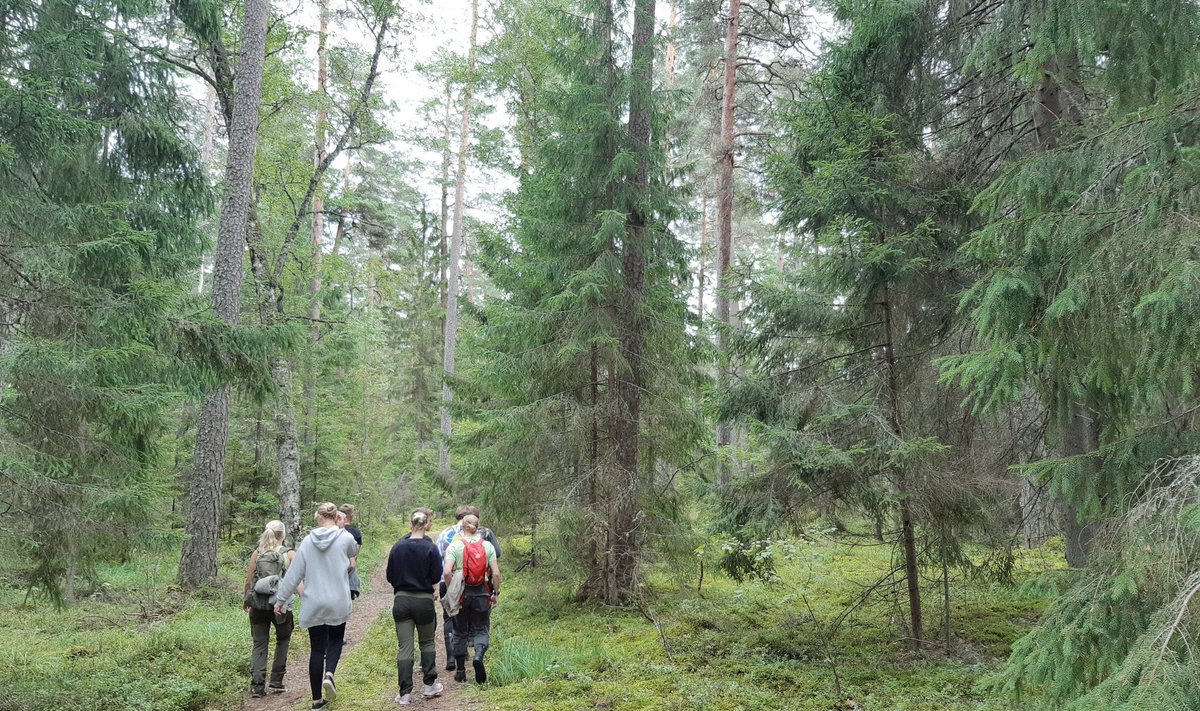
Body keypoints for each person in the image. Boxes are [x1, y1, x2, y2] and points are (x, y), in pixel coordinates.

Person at [274, 502, 359, 710]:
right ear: (335, 517)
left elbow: (294, 574)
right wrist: (341, 527)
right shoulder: (345, 537)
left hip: (314, 601)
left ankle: (316, 701)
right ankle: (329, 674)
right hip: (337, 599)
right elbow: (353, 551)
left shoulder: (307, 542)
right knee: (336, 640)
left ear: (318, 517)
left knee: (316, 648)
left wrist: (280, 601)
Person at [386, 508, 445, 705]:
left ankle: (404, 693)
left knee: (405, 647)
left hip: (401, 601)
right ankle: (429, 686)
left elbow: (390, 576)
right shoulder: (430, 548)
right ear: (425, 524)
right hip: (424, 601)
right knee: (427, 642)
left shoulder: (397, 547)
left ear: (411, 524)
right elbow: (437, 575)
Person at [435, 505, 500, 670]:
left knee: (454, 624)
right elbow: (496, 572)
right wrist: (495, 593)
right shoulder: (486, 542)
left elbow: (444, 568)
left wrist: (450, 589)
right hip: (481, 589)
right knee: (480, 626)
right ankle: (478, 654)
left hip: (455, 587)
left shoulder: (448, 537)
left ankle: (457, 665)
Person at [243, 520, 296, 698]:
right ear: (283, 534)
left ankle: (257, 687)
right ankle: (276, 681)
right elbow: (296, 582)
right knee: (283, 639)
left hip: (258, 605)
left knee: (259, 643)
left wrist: (246, 600)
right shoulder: (289, 554)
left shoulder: (257, 554)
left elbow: (249, 581)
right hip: (280, 606)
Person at [339, 504, 363, 600]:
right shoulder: (356, 533)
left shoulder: (333, 531)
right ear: (351, 516)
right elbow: (355, 555)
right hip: (349, 574)